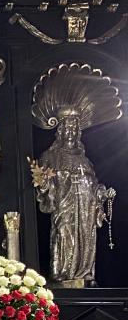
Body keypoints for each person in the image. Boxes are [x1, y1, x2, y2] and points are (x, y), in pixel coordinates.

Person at [32, 112, 112, 285]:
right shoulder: (50, 156)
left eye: (74, 129)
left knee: (85, 237)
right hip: (64, 203)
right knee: (63, 232)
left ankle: (84, 273)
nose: (71, 132)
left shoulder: (84, 159)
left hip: (85, 204)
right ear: (60, 131)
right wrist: (45, 184)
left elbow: (93, 184)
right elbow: (43, 184)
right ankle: (62, 271)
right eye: (67, 128)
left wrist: (101, 193)